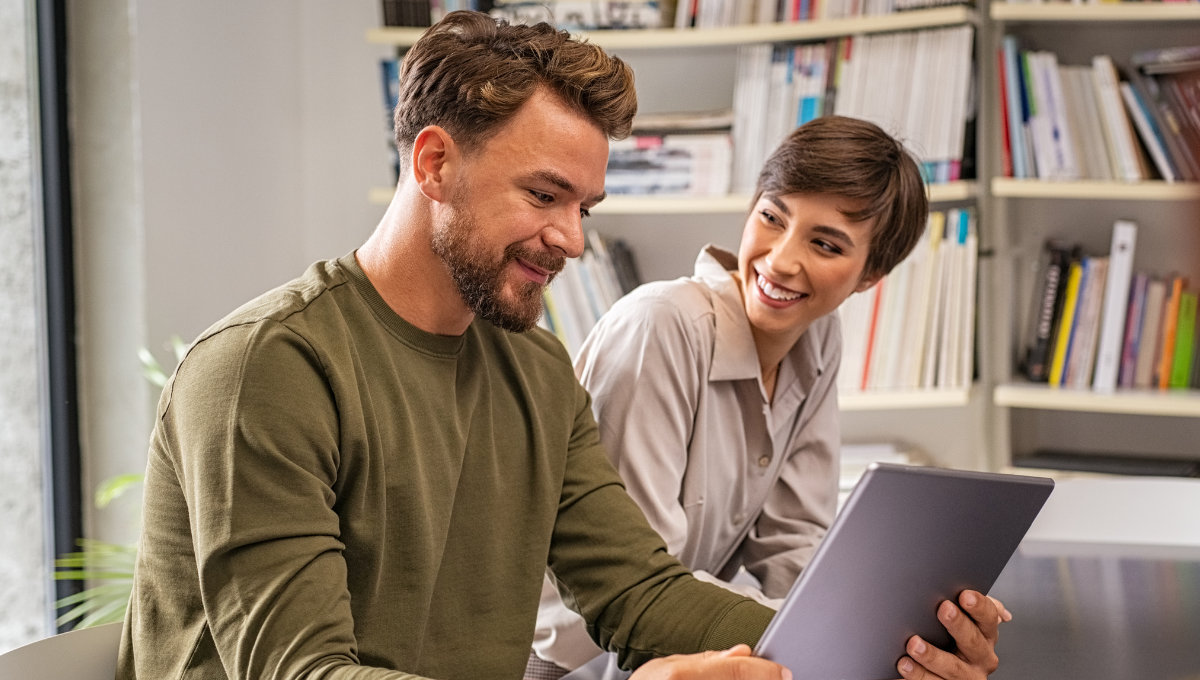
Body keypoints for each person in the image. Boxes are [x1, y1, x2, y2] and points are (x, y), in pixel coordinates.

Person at [117, 11, 1004, 680]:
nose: (573, 240)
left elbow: (639, 595)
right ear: (433, 165)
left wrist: (884, 653)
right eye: (544, 196)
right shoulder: (265, 370)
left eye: (585, 208)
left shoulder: (532, 367)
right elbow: (303, 676)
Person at [531, 117, 1009, 680]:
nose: (781, 260)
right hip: (570, 660)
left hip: (685, 647)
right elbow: (637, 589)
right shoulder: (659, 327)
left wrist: (913, 639)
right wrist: (858, 642)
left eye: (825, 244)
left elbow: (794, 543)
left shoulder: (817, 336)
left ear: (869, 276)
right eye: (771, 217)